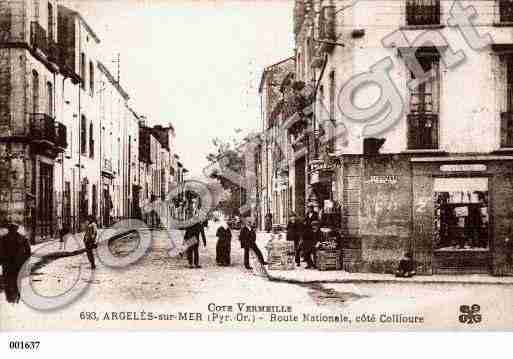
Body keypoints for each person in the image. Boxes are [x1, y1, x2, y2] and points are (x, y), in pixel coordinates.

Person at [0, 222, 31, 303]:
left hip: (7, 263)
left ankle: (9, 297)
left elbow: (1, 251)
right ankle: (16, 296)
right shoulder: (22, 238)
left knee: (7, 280)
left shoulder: (3, 238)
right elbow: (28, 251)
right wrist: (25, 260)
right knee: (17, 279)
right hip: (17, 263)